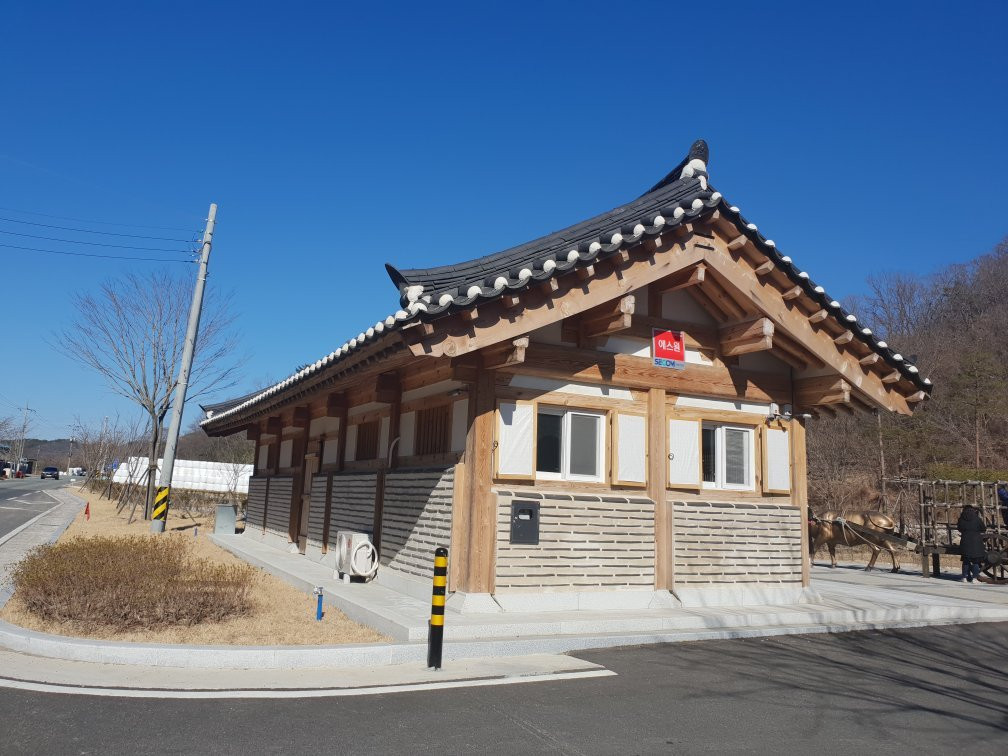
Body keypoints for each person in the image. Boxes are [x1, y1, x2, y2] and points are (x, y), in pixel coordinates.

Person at [956, 504, 987, 583]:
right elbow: (983, 529)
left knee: (966, 560)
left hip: (965, 541)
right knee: (975, 561)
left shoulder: (961, 519)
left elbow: (959, 529)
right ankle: (975, 578)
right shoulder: (977, 518)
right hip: (976, 542)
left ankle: (964, 577)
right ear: (973, 510)